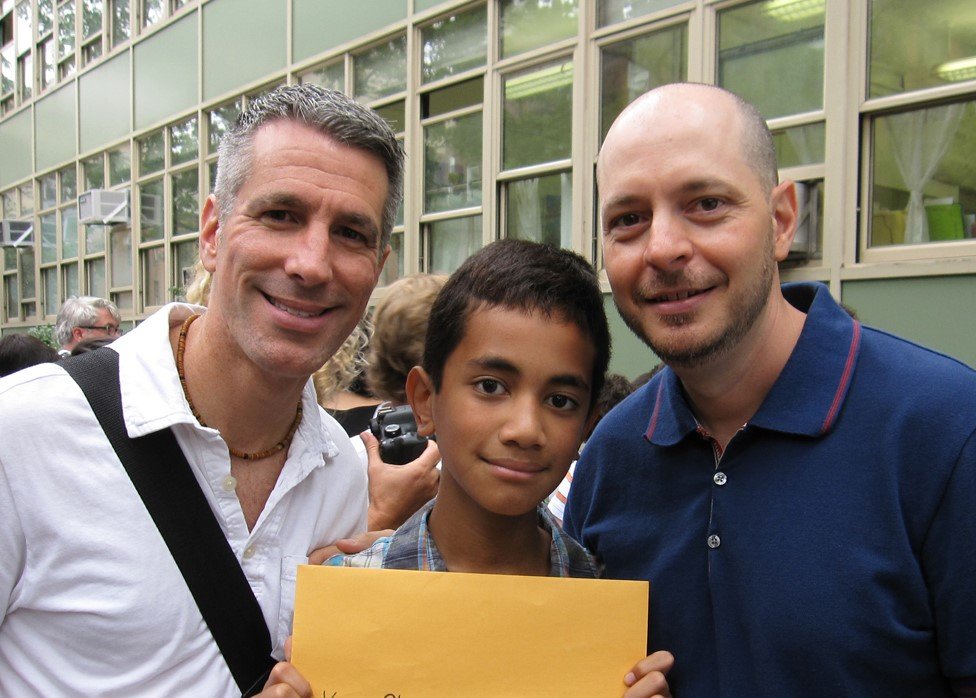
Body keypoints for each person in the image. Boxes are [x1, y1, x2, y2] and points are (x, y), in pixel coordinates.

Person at [0, 83, 437, 695]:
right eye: (281, 215)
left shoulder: (342, 474)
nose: (312, 263)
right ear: (212, 232)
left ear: (377, 268)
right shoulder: (21, 434)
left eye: (350, 233)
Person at [563, 83, 976, 696]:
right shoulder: (610, 458)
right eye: (628, 220)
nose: (664, 248)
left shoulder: (945, 430)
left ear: (782, 221)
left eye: (705, 204)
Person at [265, 239, 674, 697]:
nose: (524, 428)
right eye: (490, 386)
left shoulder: (609, 626)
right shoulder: (344, 599)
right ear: (424, 401)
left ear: (587, 423)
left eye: (560, 400)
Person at [53, 295, 122, 356]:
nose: (118, 337)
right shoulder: (57, 369)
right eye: (109, 329)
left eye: (117, 329)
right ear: (79, 334)